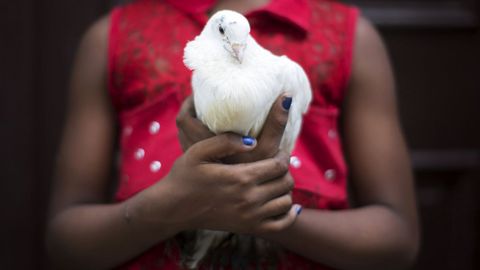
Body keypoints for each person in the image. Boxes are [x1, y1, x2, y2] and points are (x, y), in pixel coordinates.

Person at [46, 0, 420, 269]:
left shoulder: (349, 38)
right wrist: (171, 205)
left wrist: (264, 212)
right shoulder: (113, 38)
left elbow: (397, 240)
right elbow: (66, 243)